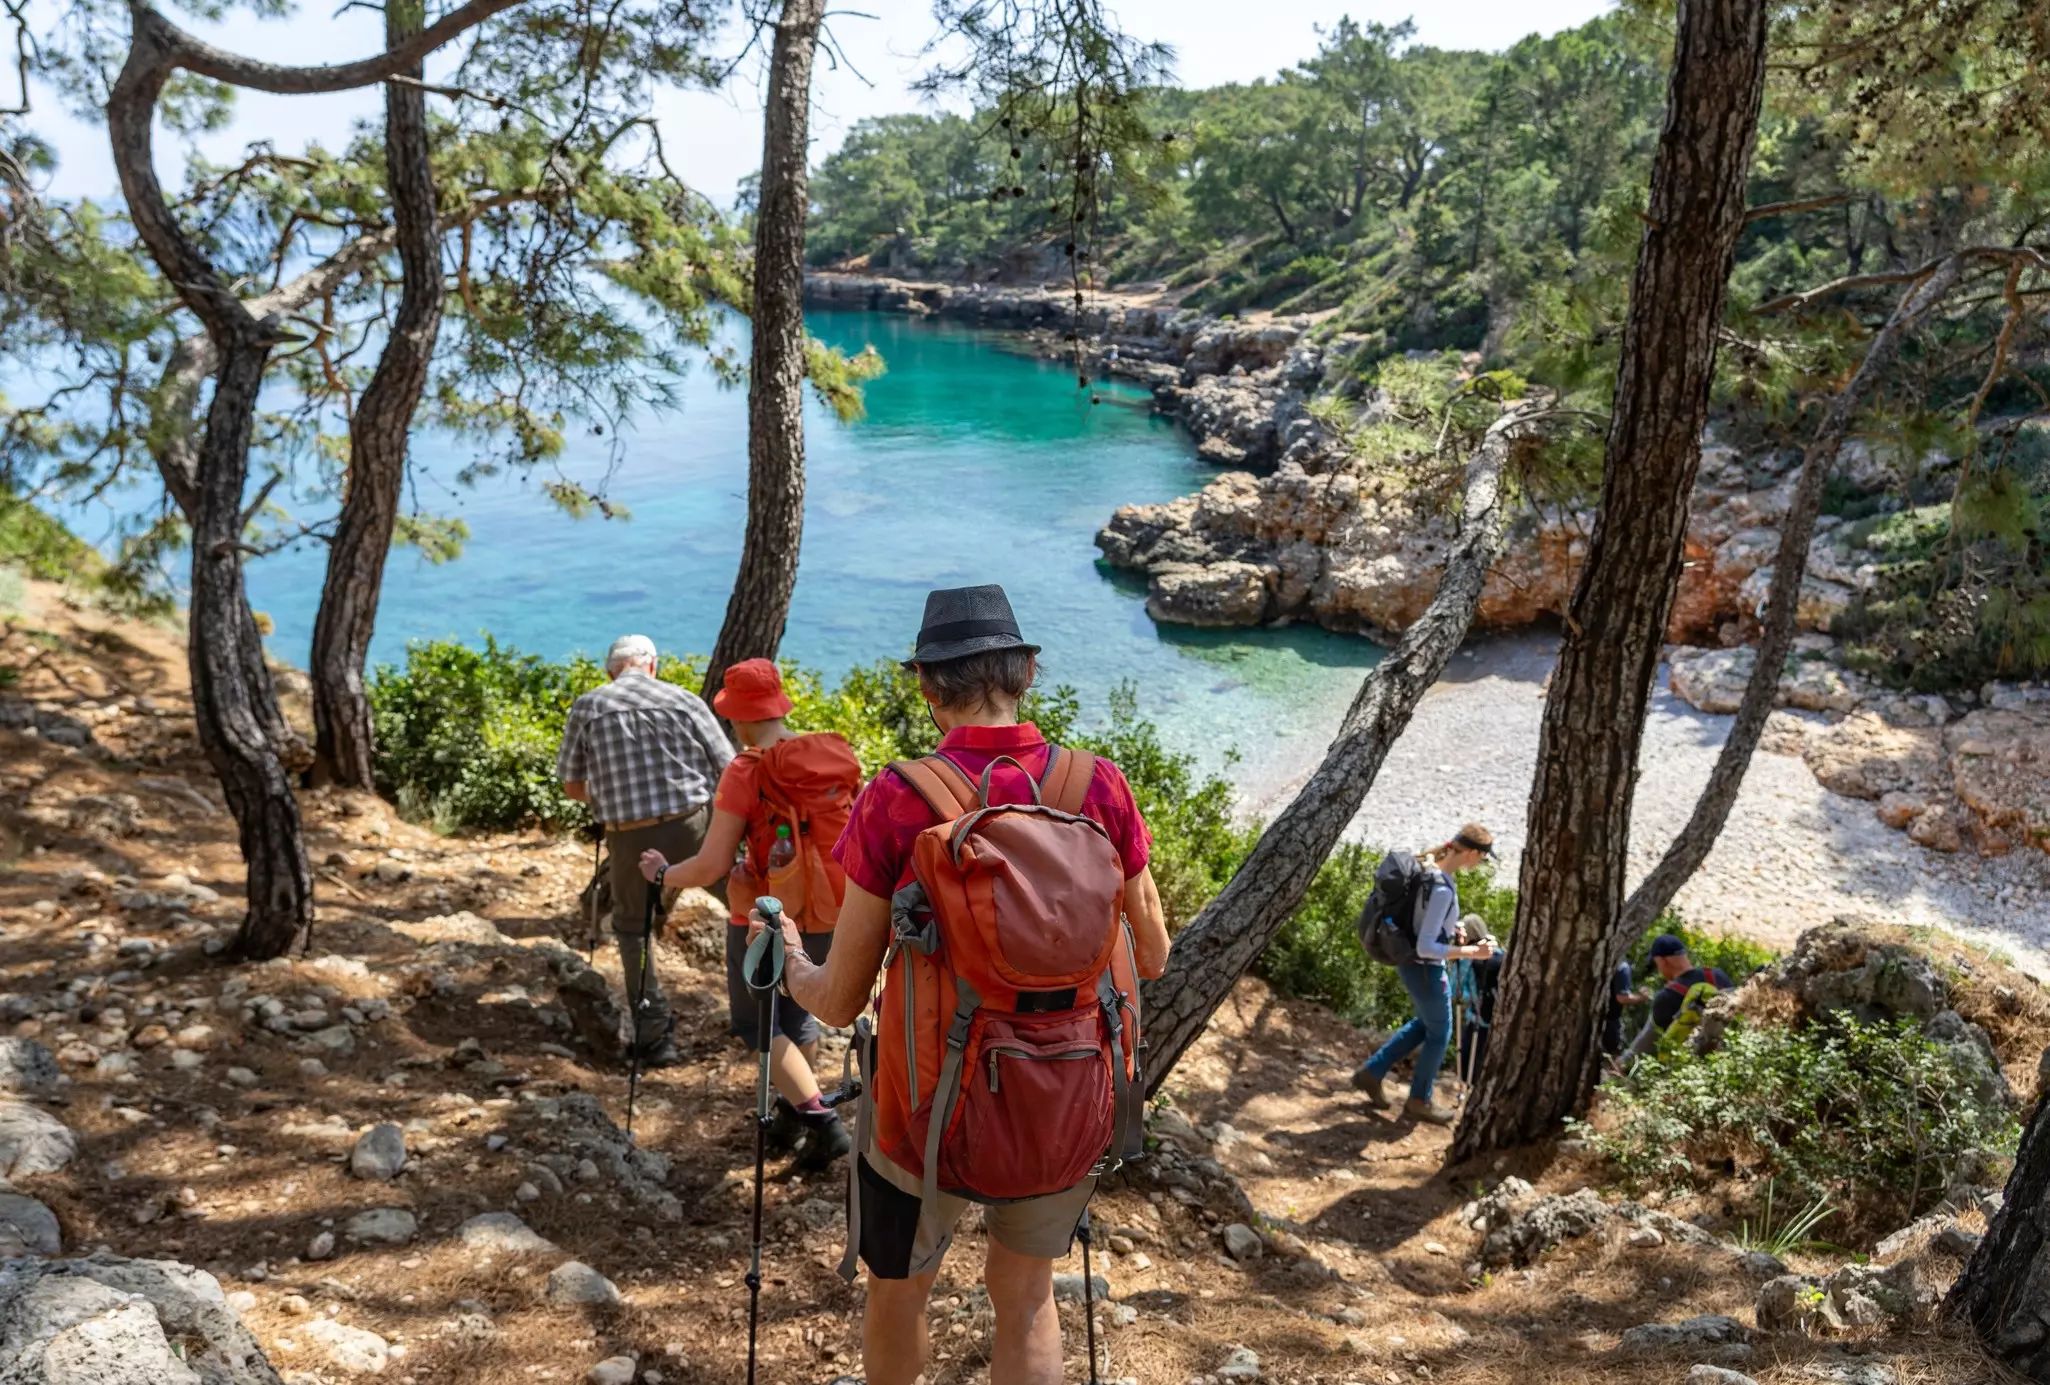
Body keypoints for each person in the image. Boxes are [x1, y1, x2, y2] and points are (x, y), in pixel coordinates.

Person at [751, 584, 1172, 1385]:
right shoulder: (1100, 787)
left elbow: (838, 1000)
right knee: (1026, 1294)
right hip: (1065, 1096)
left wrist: (788, 956)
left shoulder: (898, 797)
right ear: (1029, 670)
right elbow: (1150, 955)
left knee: (899, 1290)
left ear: (926, 684)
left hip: (922, 1108)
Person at [636, 658, 861, 1170]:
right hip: (831, 909)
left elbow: (712, 863)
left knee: (756, 1025)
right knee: (799, 1014)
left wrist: (661, 872)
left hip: (764, 919)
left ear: (737, 717)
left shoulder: (748, 770)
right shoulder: (823, 759)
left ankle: (823, 1122)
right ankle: (790, 1113)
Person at [556, 634, 732, 1066]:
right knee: (747, 901)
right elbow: (730, 767)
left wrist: (609, 794)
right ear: (652, 665)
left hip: (627, 837)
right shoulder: (684, 700)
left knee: (633, 929)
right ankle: (782, 998)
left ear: (610, 671)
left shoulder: (588, 706)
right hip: (696, 825)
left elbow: (572, 786)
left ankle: (655, 1037)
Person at [1350, 825, 1500, 1125]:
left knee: (1425, 1025)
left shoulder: (1430, 870)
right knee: (1440, 1034)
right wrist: (1472, 953)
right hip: (1423, 968)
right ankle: (1419, 1100)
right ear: (1471, 853)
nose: (1480, 864)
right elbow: (1426, 946)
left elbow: (1423, 919)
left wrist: (1451, 927)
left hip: (1413, 964)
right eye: (1482, 858)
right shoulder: (1442, 887)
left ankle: (1371, 1073)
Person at [1623, 934, 1734, 1064]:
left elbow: (1646, 1044)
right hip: (1727, 1058)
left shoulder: (1666, 997)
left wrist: (1622, 1062)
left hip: (1690, 1066)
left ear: (1662, 961)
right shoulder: (1718, 976)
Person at [1602, 958, 1647, 1056]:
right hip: (1610, 1022)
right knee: (1610, 1055)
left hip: (1596, 1018)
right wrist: (1641, 998)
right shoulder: (1622, 966)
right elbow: (1622, 998)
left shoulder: (1605, 961)